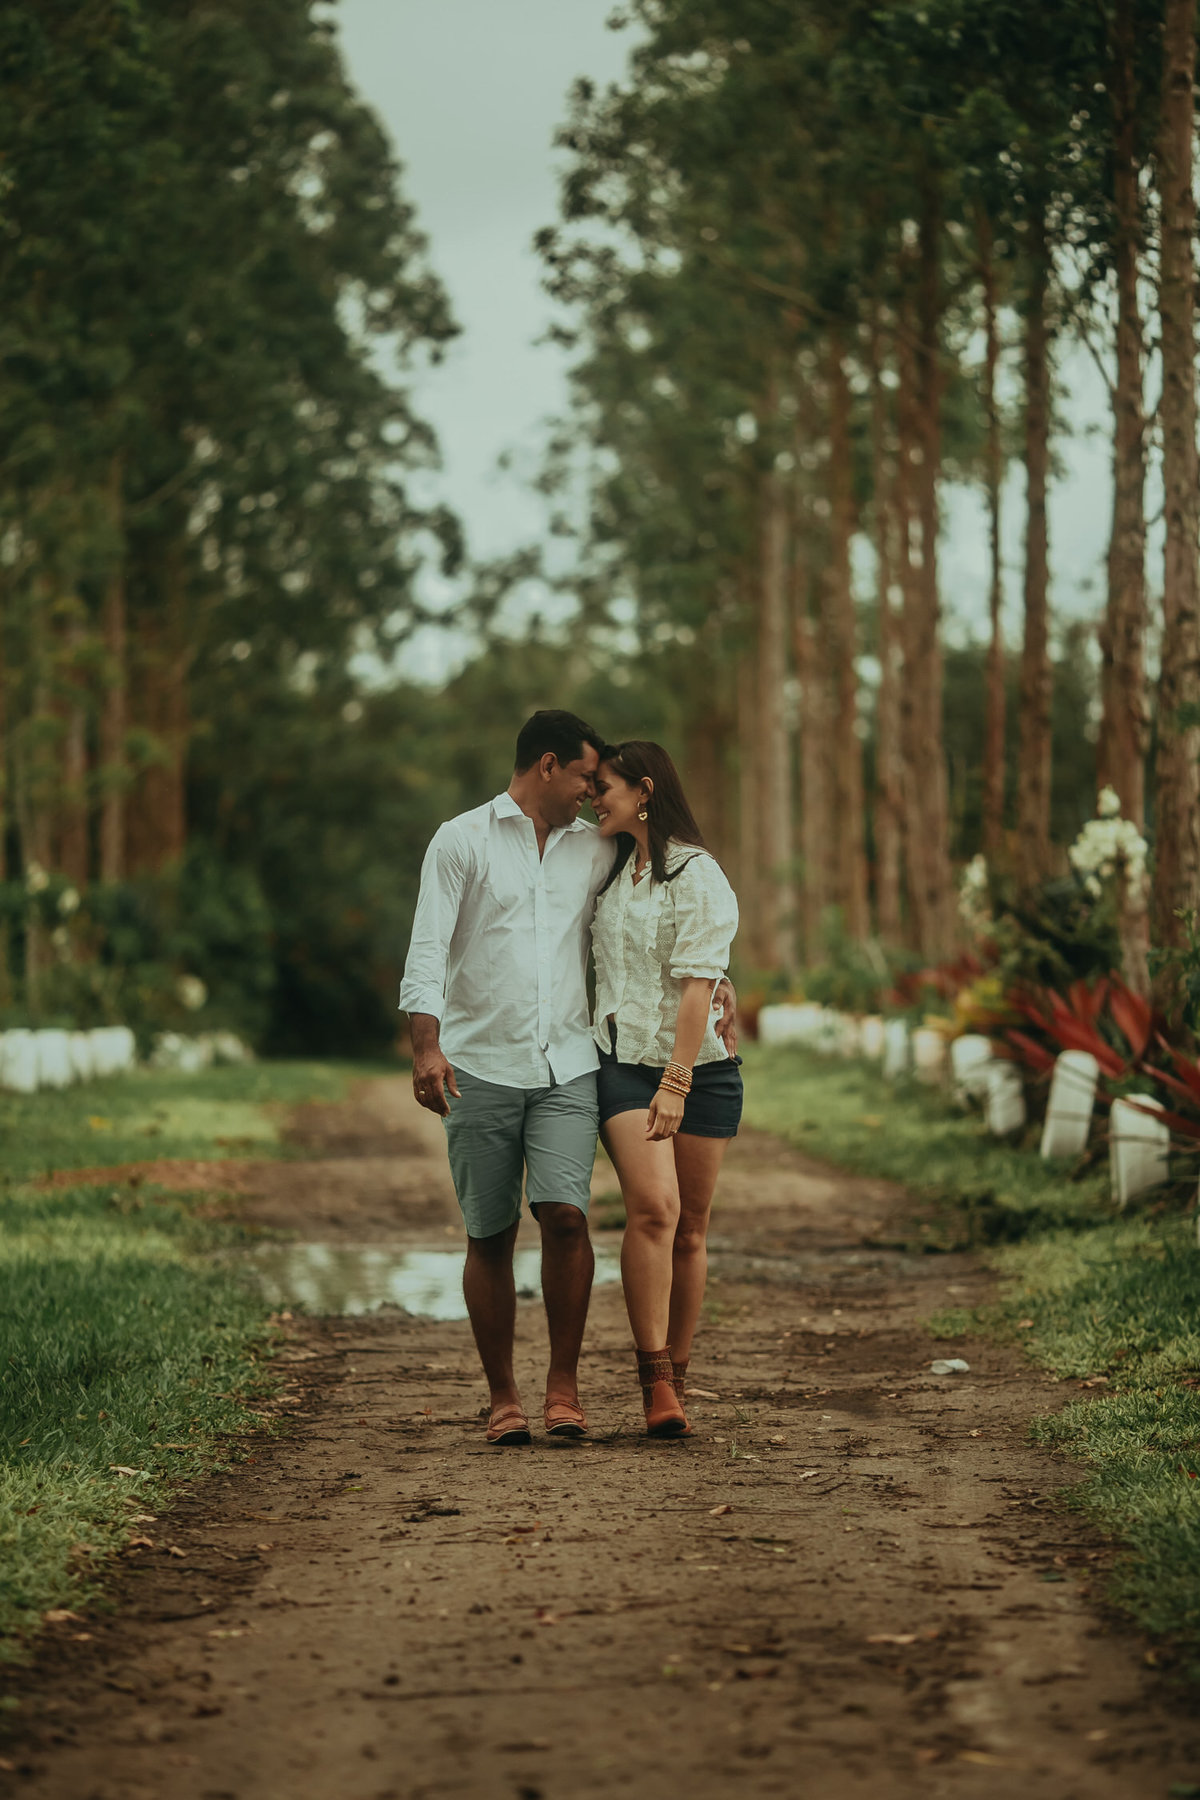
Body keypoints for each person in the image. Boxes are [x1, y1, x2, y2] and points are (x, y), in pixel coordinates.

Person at [398, 710, 735, 1446]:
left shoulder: (597, 849)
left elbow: (672, 913)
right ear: (547, 766)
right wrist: (426, 1048)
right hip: (479, 1064)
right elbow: (426, 950)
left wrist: (719, 983)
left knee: (567, 1217)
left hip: (569, 1067)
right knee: (488, 1233)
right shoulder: (462, 840)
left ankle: (563, 1388)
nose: (592, 790)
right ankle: (502, 1396)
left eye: (602, 782)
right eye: (586, 775)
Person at [590, 741, 742, 1437]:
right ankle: (653, 1379)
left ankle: (678, 1378)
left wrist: (677, 1083)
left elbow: (697, 989)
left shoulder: (696, 873)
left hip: (699, 1071)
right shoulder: (613, 868)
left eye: (607, 787)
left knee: (690, 1229)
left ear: (644, 790)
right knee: (654, 1208)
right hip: (622, 1063)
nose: (597, 797)